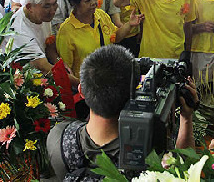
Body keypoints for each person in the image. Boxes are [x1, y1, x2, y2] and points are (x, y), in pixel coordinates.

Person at [46, 44, 198, 179]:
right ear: (134, 94)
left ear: (81, 91)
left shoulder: (58, 138)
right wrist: (186, 117)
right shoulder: (151, 158)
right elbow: (186, 169)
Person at [56, 0, 142, 78]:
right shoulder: (66, 31)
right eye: (87, 1)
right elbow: (67, 69)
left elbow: (115, 38)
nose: (94, 3)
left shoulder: (101, 15)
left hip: (108, 76)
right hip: (85, 82)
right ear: (74, 4)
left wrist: (129, 24)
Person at [9, 0, 60, 76]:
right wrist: (79, 83)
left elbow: (49, 46)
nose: (53, 10)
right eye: (47, 6)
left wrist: (59, 63)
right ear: (29, 7)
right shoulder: (19, 30)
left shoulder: (42, 16)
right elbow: (43, 67)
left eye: (55, 4)